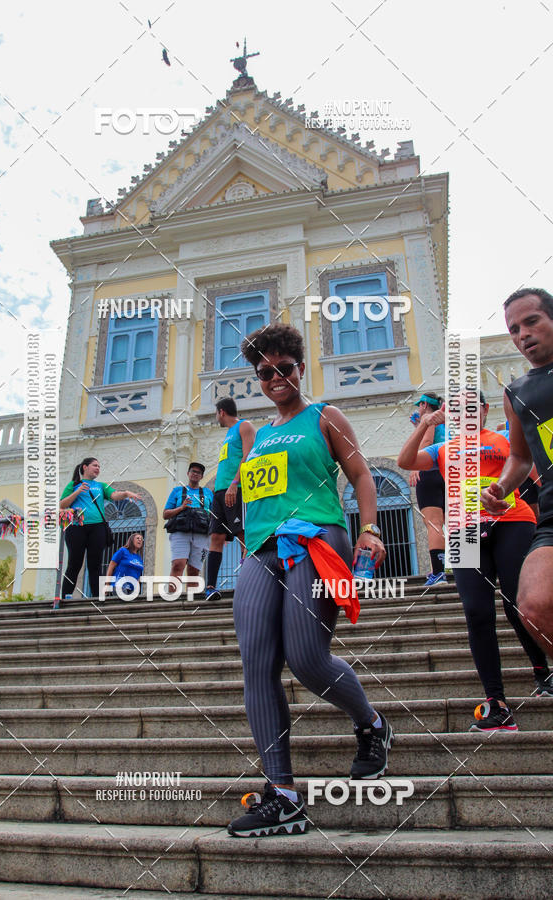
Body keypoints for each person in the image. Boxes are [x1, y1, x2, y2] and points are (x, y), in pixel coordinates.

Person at [226, 323, 390, 839]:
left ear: (300, 368)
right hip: (261, 550)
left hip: (317, 537)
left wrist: (369, 530)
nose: (275, 378)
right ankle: (284, 794)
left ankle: (371, 724)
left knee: (307, 659)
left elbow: (361, 475)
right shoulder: (259, 436)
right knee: (256, 666)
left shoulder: (325, 416)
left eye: (284, 368)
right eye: (264, 372)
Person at [397, 391, 552, 731]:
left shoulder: (504, 438)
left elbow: (537, 475)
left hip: (512, 521)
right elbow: (405, 461)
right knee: (477, 612)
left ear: (484, 409)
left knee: (518, 602)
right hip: (465, 530)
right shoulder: (442, 449)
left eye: (471, 406)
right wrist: (424, 423)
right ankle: (496, 702)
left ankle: (543, 671)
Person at [482, 287, 553, 665]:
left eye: (531, 322)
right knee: (533, 604)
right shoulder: (516, 393)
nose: (523, 334)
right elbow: (521, 458)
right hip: (551, 514)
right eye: (514, 329)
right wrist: (502, 486)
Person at [60, 458, 142, 600]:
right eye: (95, 465)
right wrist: (78, 491)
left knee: (95, 564)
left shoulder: (101, 486)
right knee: (74, 563)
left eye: (99, 466)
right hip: (76, 527)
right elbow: (62, 505)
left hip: (97, 527)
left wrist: (126, 493)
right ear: (85, 467)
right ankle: (66, 596)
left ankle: (96, 596)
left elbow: (114, 495)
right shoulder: (73, 485)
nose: (98, 468)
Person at [205, 398, 255, 602]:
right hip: (219, 492)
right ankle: (210, 587)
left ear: (222, 412)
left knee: (243, 536)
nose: (216, 417)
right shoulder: (228, 434)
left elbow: (248, 455)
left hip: (237, 489)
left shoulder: (244, 426)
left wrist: (235, 483)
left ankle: (249, 584)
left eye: (216, 413)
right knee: (216, 538)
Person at [410, 392, 448, 586]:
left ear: (424, 405)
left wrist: (415, 465)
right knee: (450, 522)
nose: (418, 409)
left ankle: (439, 573)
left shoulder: (430, 419)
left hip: (430, 471)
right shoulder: (444, 421)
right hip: (448, 472)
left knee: (433, 523)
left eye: (419, 405)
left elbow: (426, 442)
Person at [163, 462, 213, 591]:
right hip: (180, 532)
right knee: (177, 564)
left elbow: (214, 515)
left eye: (198, 472)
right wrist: (181, 507)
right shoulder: (177, 491)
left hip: (202, 534)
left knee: (194, 571)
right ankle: (173, 597)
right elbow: (165, 514)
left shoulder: (207, 493)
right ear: (188, 473)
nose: (195, 474)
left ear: (202, 476)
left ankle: (192, 599)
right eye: (193, 471)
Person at [106, 533, 144, 597]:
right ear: (131, 540)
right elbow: (111, 567)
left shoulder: (139, 558)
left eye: (141, 539)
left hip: (131, 589)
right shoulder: (123, 551)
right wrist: (107, 585)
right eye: (137, 538)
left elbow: (138, 576)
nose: (140, 540)